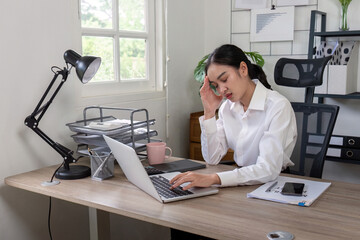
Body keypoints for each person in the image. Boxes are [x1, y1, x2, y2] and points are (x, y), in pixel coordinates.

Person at [170, 44, 297, 190]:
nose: (221, 90)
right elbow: (212, 158)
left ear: (243, 69)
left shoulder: (278, 106)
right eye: (215, 85)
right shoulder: (227, 108)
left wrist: (214, 178)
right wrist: (209, 112)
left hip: (272, 185)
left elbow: (267, 169)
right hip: (239, 183)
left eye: (224, 79)